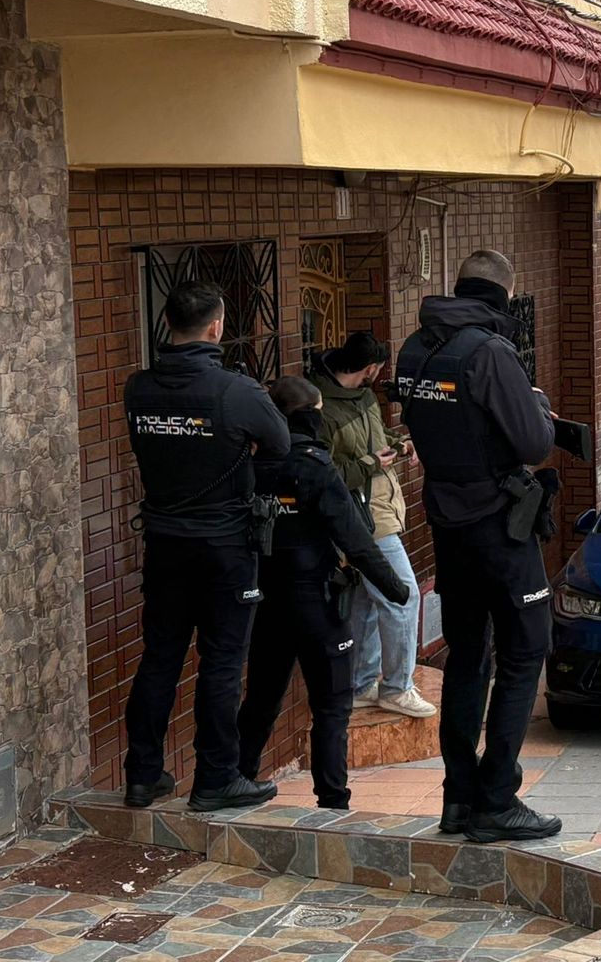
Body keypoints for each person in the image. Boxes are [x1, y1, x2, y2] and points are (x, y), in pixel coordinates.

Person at [394, 249, 560, 844]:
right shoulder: (490, 352)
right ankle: (498, 799)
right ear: (503, 296)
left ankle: (459, 799)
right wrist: (536, 405)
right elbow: (535, 441)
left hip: (446, 524)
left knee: (467, 656)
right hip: (500, 525)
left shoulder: (416, 348)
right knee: (524, 649)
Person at [121, 280, 290, 812]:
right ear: (217, 327)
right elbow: (281, 444)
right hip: (224, 546)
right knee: (221, 662)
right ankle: (216, 776)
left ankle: (143, 774)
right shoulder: (237, 391)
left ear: (166, 323)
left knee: (160, 658)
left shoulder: (138, 388)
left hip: (164, 543)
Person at [237, 377, 413, 809]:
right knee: (332, 707)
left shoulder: (248, 465)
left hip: (266, 601)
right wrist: (396, 589)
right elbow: (356, 538)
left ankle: (236, 779)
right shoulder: (315, 466)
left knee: (260, 698)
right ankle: (333, 799)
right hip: (317, 599)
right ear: (310, 415)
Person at [312, 331, 435, 720]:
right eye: (378, 370)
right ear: (369, 368)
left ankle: (362, 682)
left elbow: (375, 440)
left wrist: (401, 445)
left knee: (367, 600)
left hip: (381, 505)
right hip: (358, 516)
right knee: (403, 594)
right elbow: (323, 474)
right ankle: (398, 686)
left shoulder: (364, 397)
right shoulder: (320, 408)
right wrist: (370, 465)